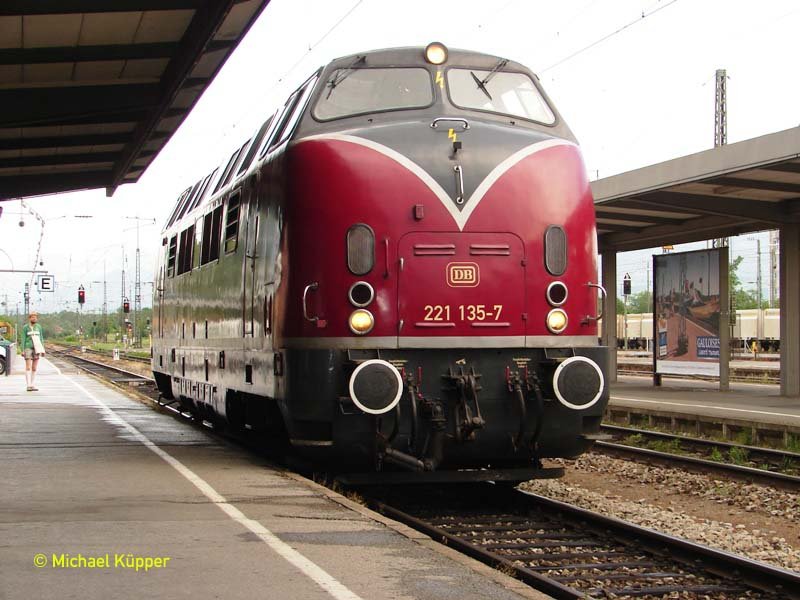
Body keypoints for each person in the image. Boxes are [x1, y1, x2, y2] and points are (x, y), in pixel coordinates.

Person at [21, 311, 45, 392]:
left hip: (37, 348)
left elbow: (41, 338)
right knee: (28, 367)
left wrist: (43, 349)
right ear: (30, 318)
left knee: (34, 368)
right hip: (28, 348)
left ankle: (32, 384)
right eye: (33, 317)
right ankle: (28, 385)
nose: (34, 318)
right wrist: (22, 350)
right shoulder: (25, 327)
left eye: (35, 317)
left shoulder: (39, 327)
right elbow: (23, 339)